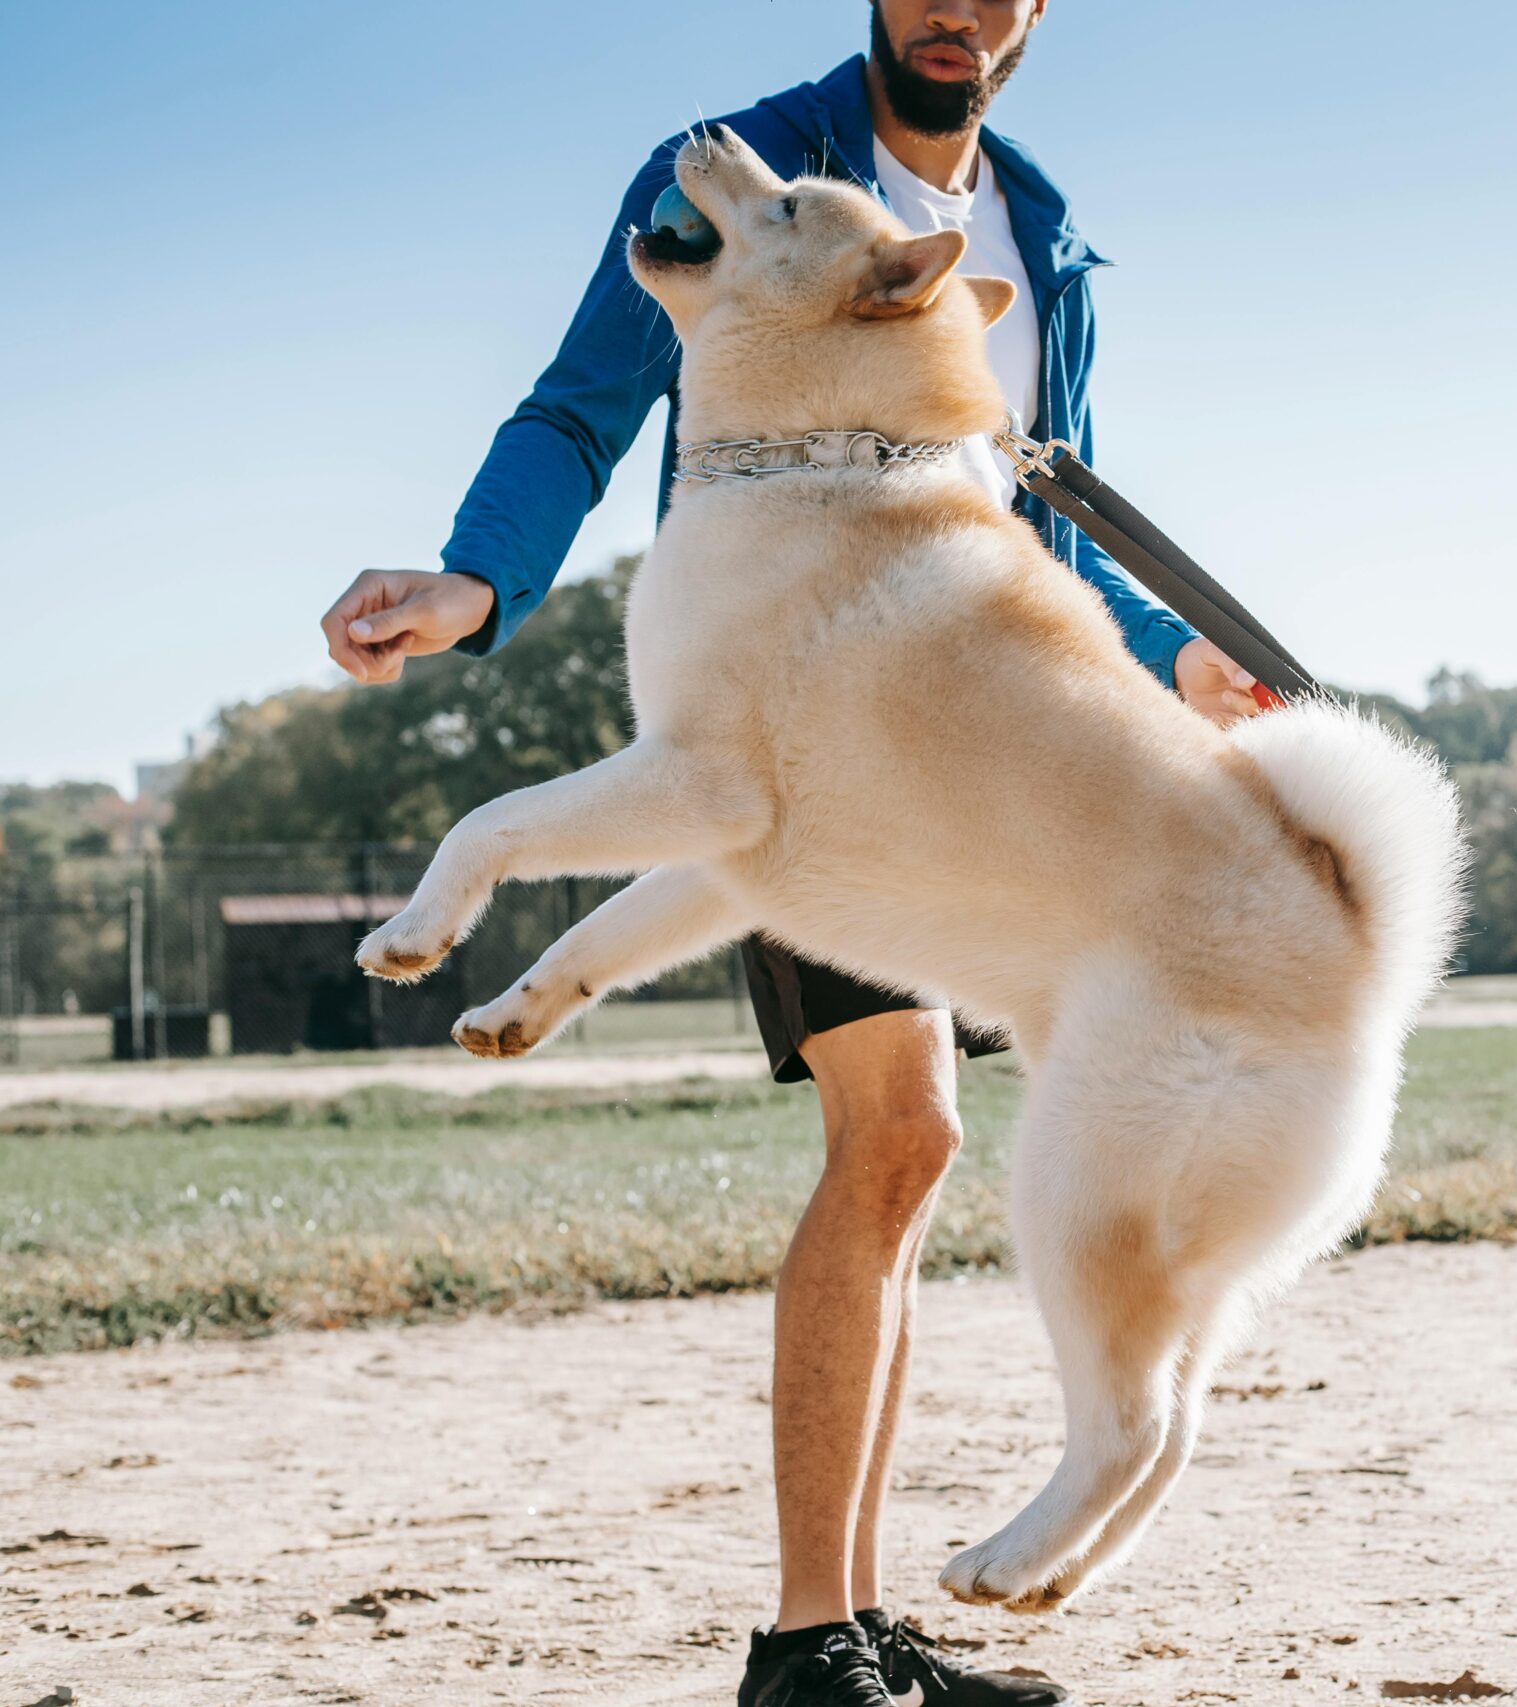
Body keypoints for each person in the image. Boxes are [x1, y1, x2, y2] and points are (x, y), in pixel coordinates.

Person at [316, 5, 1261, 1702]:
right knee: (895, 1136)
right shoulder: (757, 173)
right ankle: (809, 1643)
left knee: (926, 1149)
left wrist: (1178, 660)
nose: (956, 9)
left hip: (977, 742)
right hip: (798, 701)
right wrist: (476, 582)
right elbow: (580, 409)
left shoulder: (1038, 226)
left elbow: (1049, 502)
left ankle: (861, 1630)